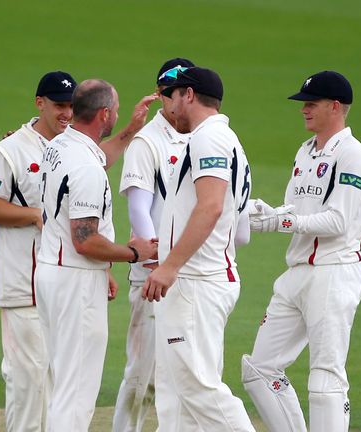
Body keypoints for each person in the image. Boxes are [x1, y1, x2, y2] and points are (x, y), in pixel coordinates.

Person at [241, 70, 361, 432]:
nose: (304, 110)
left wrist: (282, 223)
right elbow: (293, 210)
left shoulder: (353, 155)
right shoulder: (306, 151)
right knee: (258, 369)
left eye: (311, 104)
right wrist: (263, 214)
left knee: (325, 377)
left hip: (333, 272)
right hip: (296, 272)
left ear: (335, 106)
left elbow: (338, 222)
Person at [35, 79, 159, 432]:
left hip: (51, 272)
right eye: (116, 111)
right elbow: (85, 240)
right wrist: (134, 252)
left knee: (64, 382)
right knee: (77, 392)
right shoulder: (86, 168)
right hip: (76, 281)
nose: (118, 115)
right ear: (104, 114)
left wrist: (131, 130)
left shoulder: (60, 146)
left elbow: (96, 159)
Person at [142, 67, 256, 432]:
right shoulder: (226, 139)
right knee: (179, 395)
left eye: (172, 94)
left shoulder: (209, 139)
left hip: (196, 280)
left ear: (188, 95)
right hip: (203, 276)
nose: (168, 104)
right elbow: (236, 228)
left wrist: (170, 265)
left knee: (198, 387)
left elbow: (211, 207)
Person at [0, 70, 77, 432]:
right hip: (24, 288)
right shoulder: (11, 150)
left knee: (57, 385)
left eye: (71, 106)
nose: (66, 113)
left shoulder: (73, 147)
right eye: (59, 105)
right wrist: (33, 214)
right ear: (40, 103)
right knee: (28, 384)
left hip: (63, 288)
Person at [112, 57, 194, 432]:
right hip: (153, 276)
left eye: (185, 94)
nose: (179, 103)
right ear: (161, 95)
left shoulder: (204, 137)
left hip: (193, 274)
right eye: (172, 94)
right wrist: (160, 262)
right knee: (143, 377)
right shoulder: (148, 143)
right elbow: (139, 210)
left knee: (186, 377)